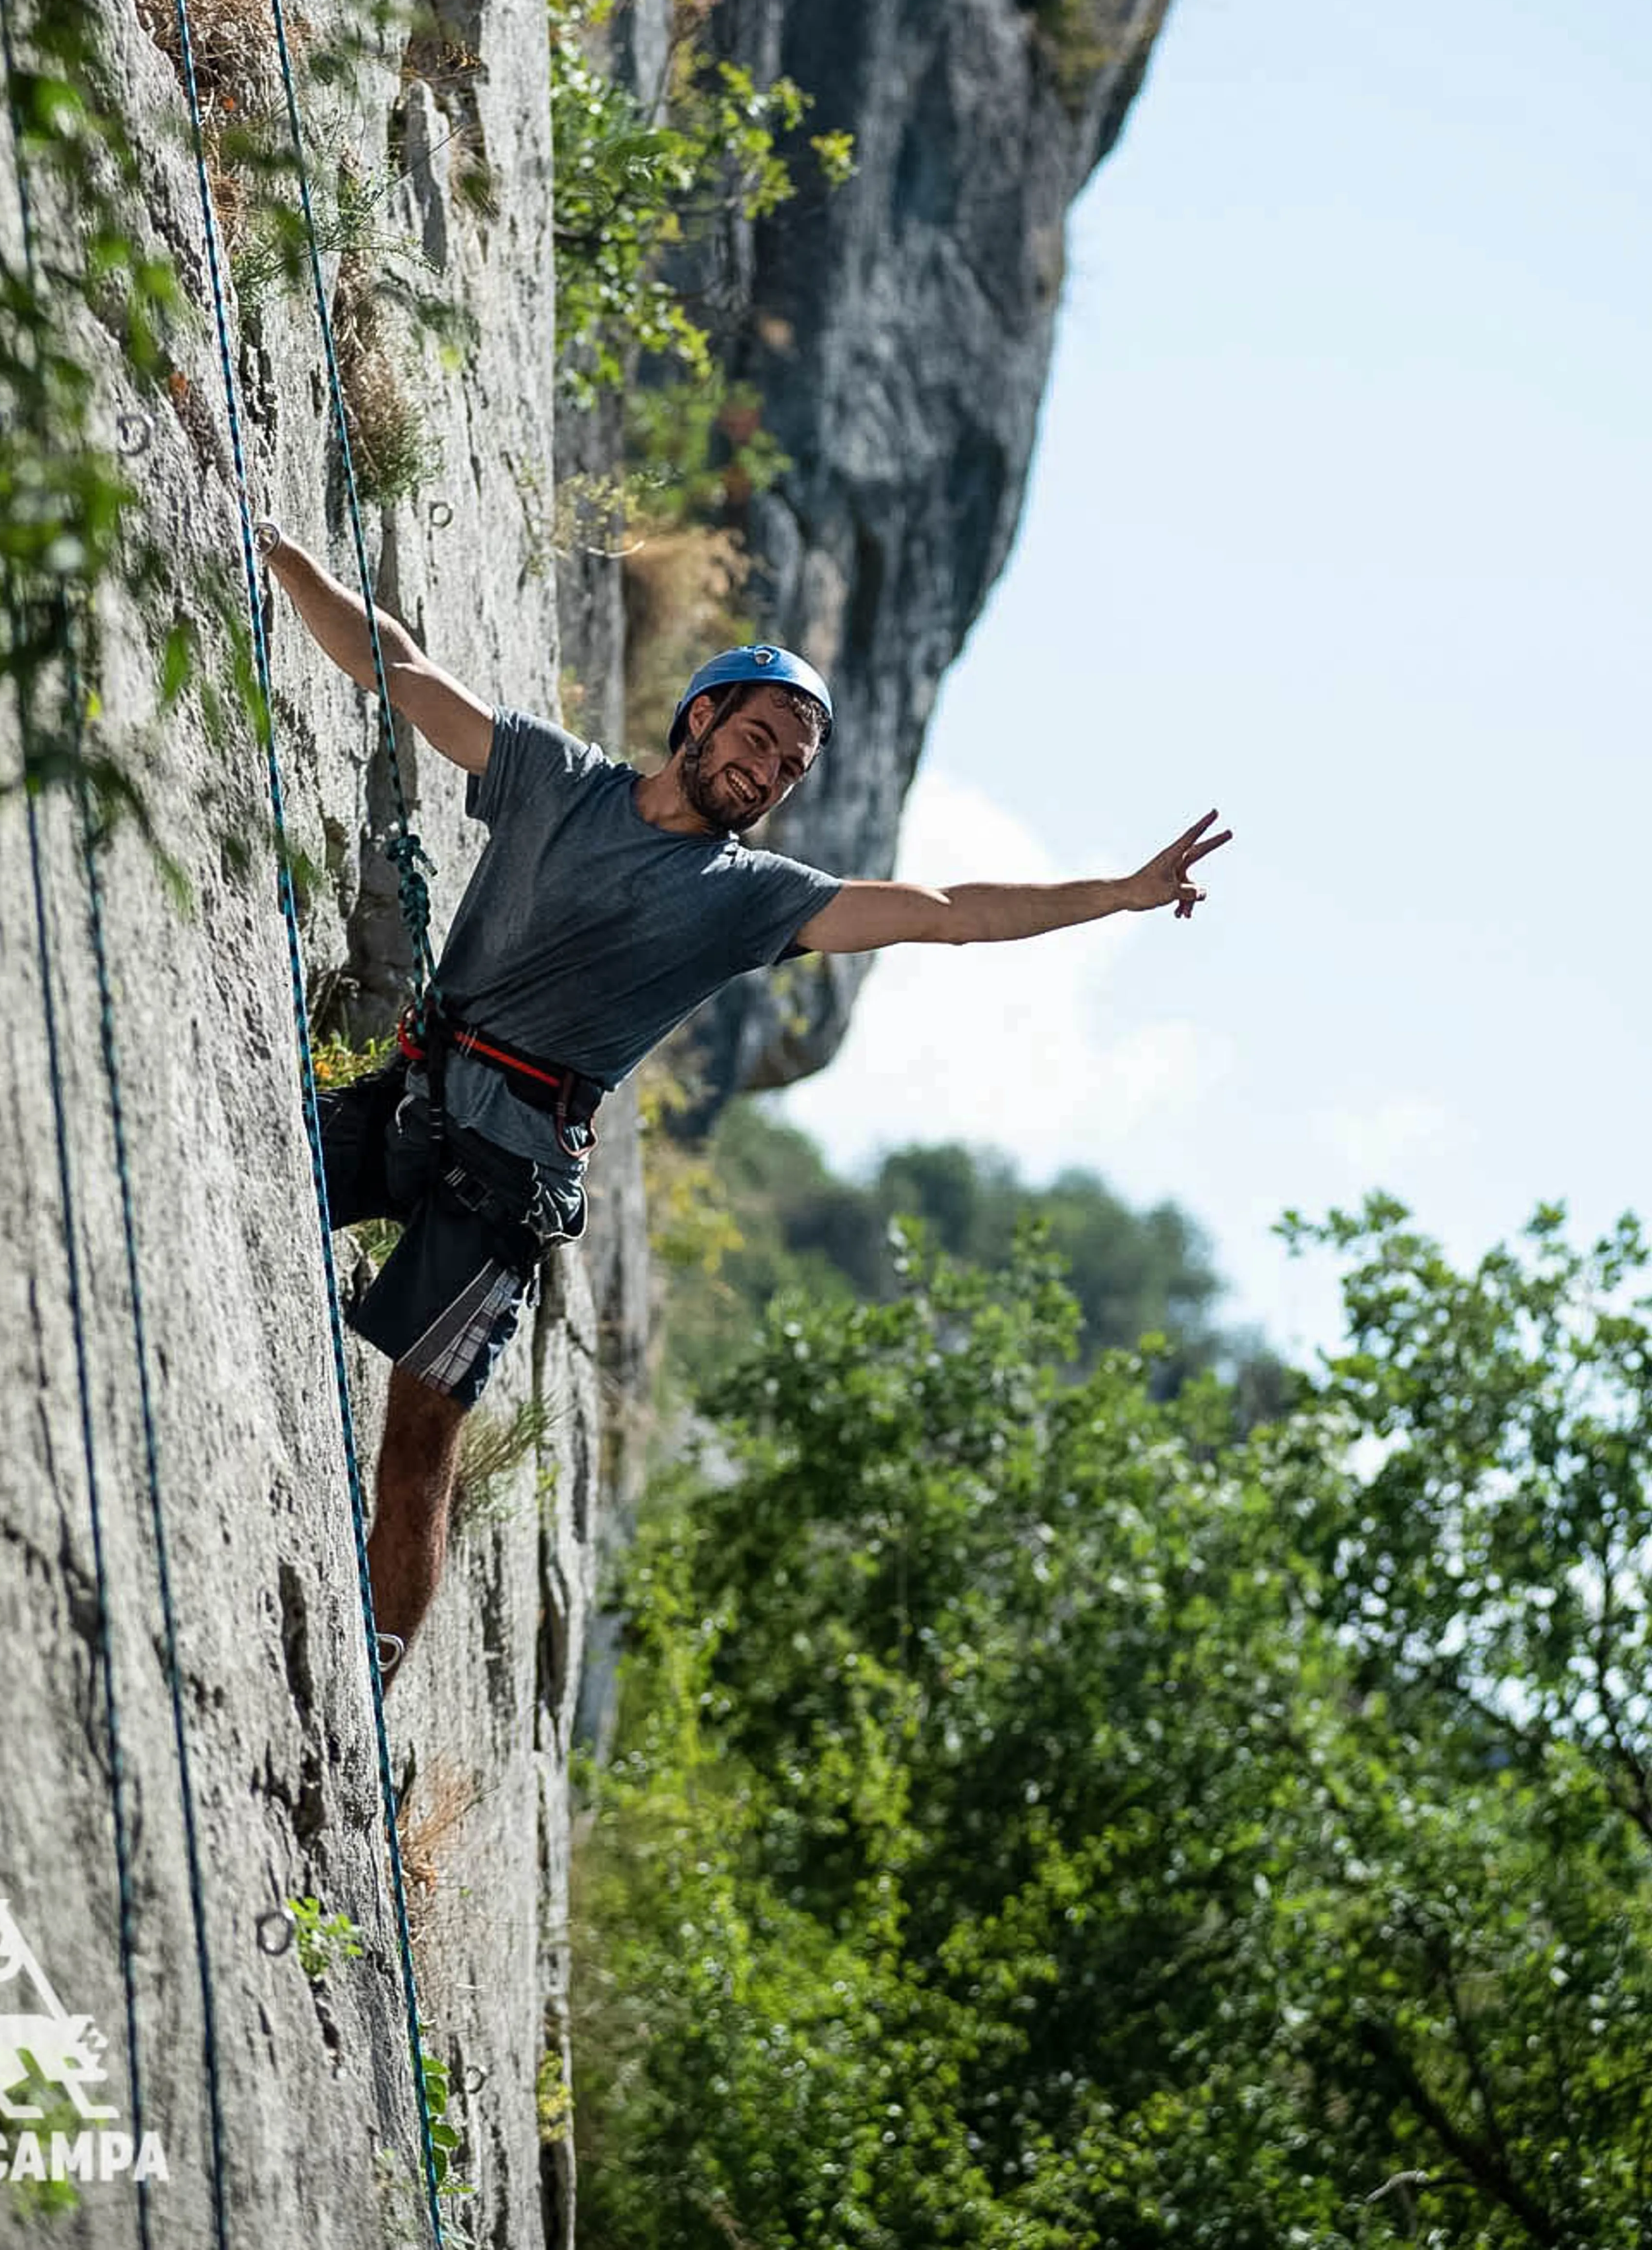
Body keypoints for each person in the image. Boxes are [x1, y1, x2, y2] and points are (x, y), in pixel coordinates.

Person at [256, 523, 1231, 1664]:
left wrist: (1114, 893)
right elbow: (398, 667)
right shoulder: (555, 782)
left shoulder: (749, 899)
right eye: (760, 740)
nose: (766, 773)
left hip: (507, 1174)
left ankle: (371, 1666)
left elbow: (945, 909)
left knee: (420, 1440)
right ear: (702, 717)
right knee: (262, 1171)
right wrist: (278, 554)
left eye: (787, 770)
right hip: (423, 1094)